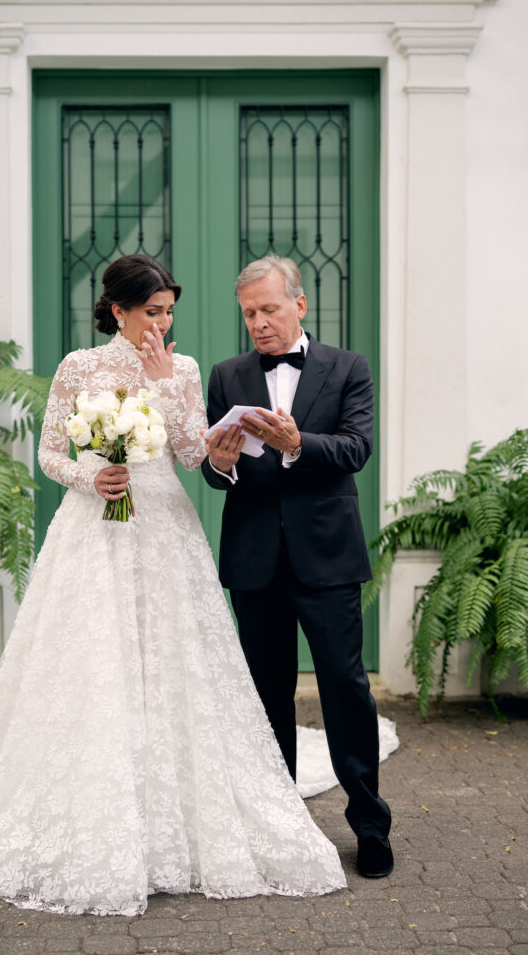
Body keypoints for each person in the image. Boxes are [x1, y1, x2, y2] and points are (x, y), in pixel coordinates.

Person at [0, 254, 346, 917]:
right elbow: (49, 453)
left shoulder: (182, 368)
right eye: (151, 312)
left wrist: (171, 391)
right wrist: (87, 477)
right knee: (95, 659)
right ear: (119, 311)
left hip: (161, 523)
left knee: (170, 660)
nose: (161, 324)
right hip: (95, 527)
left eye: (168, 313)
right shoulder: (80, 367)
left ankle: (176, 816)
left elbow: (193, 454)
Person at [201, 254, 393, 879]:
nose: (257, 323)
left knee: (345, 689)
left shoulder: (348, 368)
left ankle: (369, 824)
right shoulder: (227, 375)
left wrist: (296, 444)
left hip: (329, 559)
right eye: (249, 313)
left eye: (268, 310)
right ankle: (280, 829)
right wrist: (222, 462)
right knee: (265, 698)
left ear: (299, 305)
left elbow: (356, 449)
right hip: (256, 562)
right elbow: (213, 468)